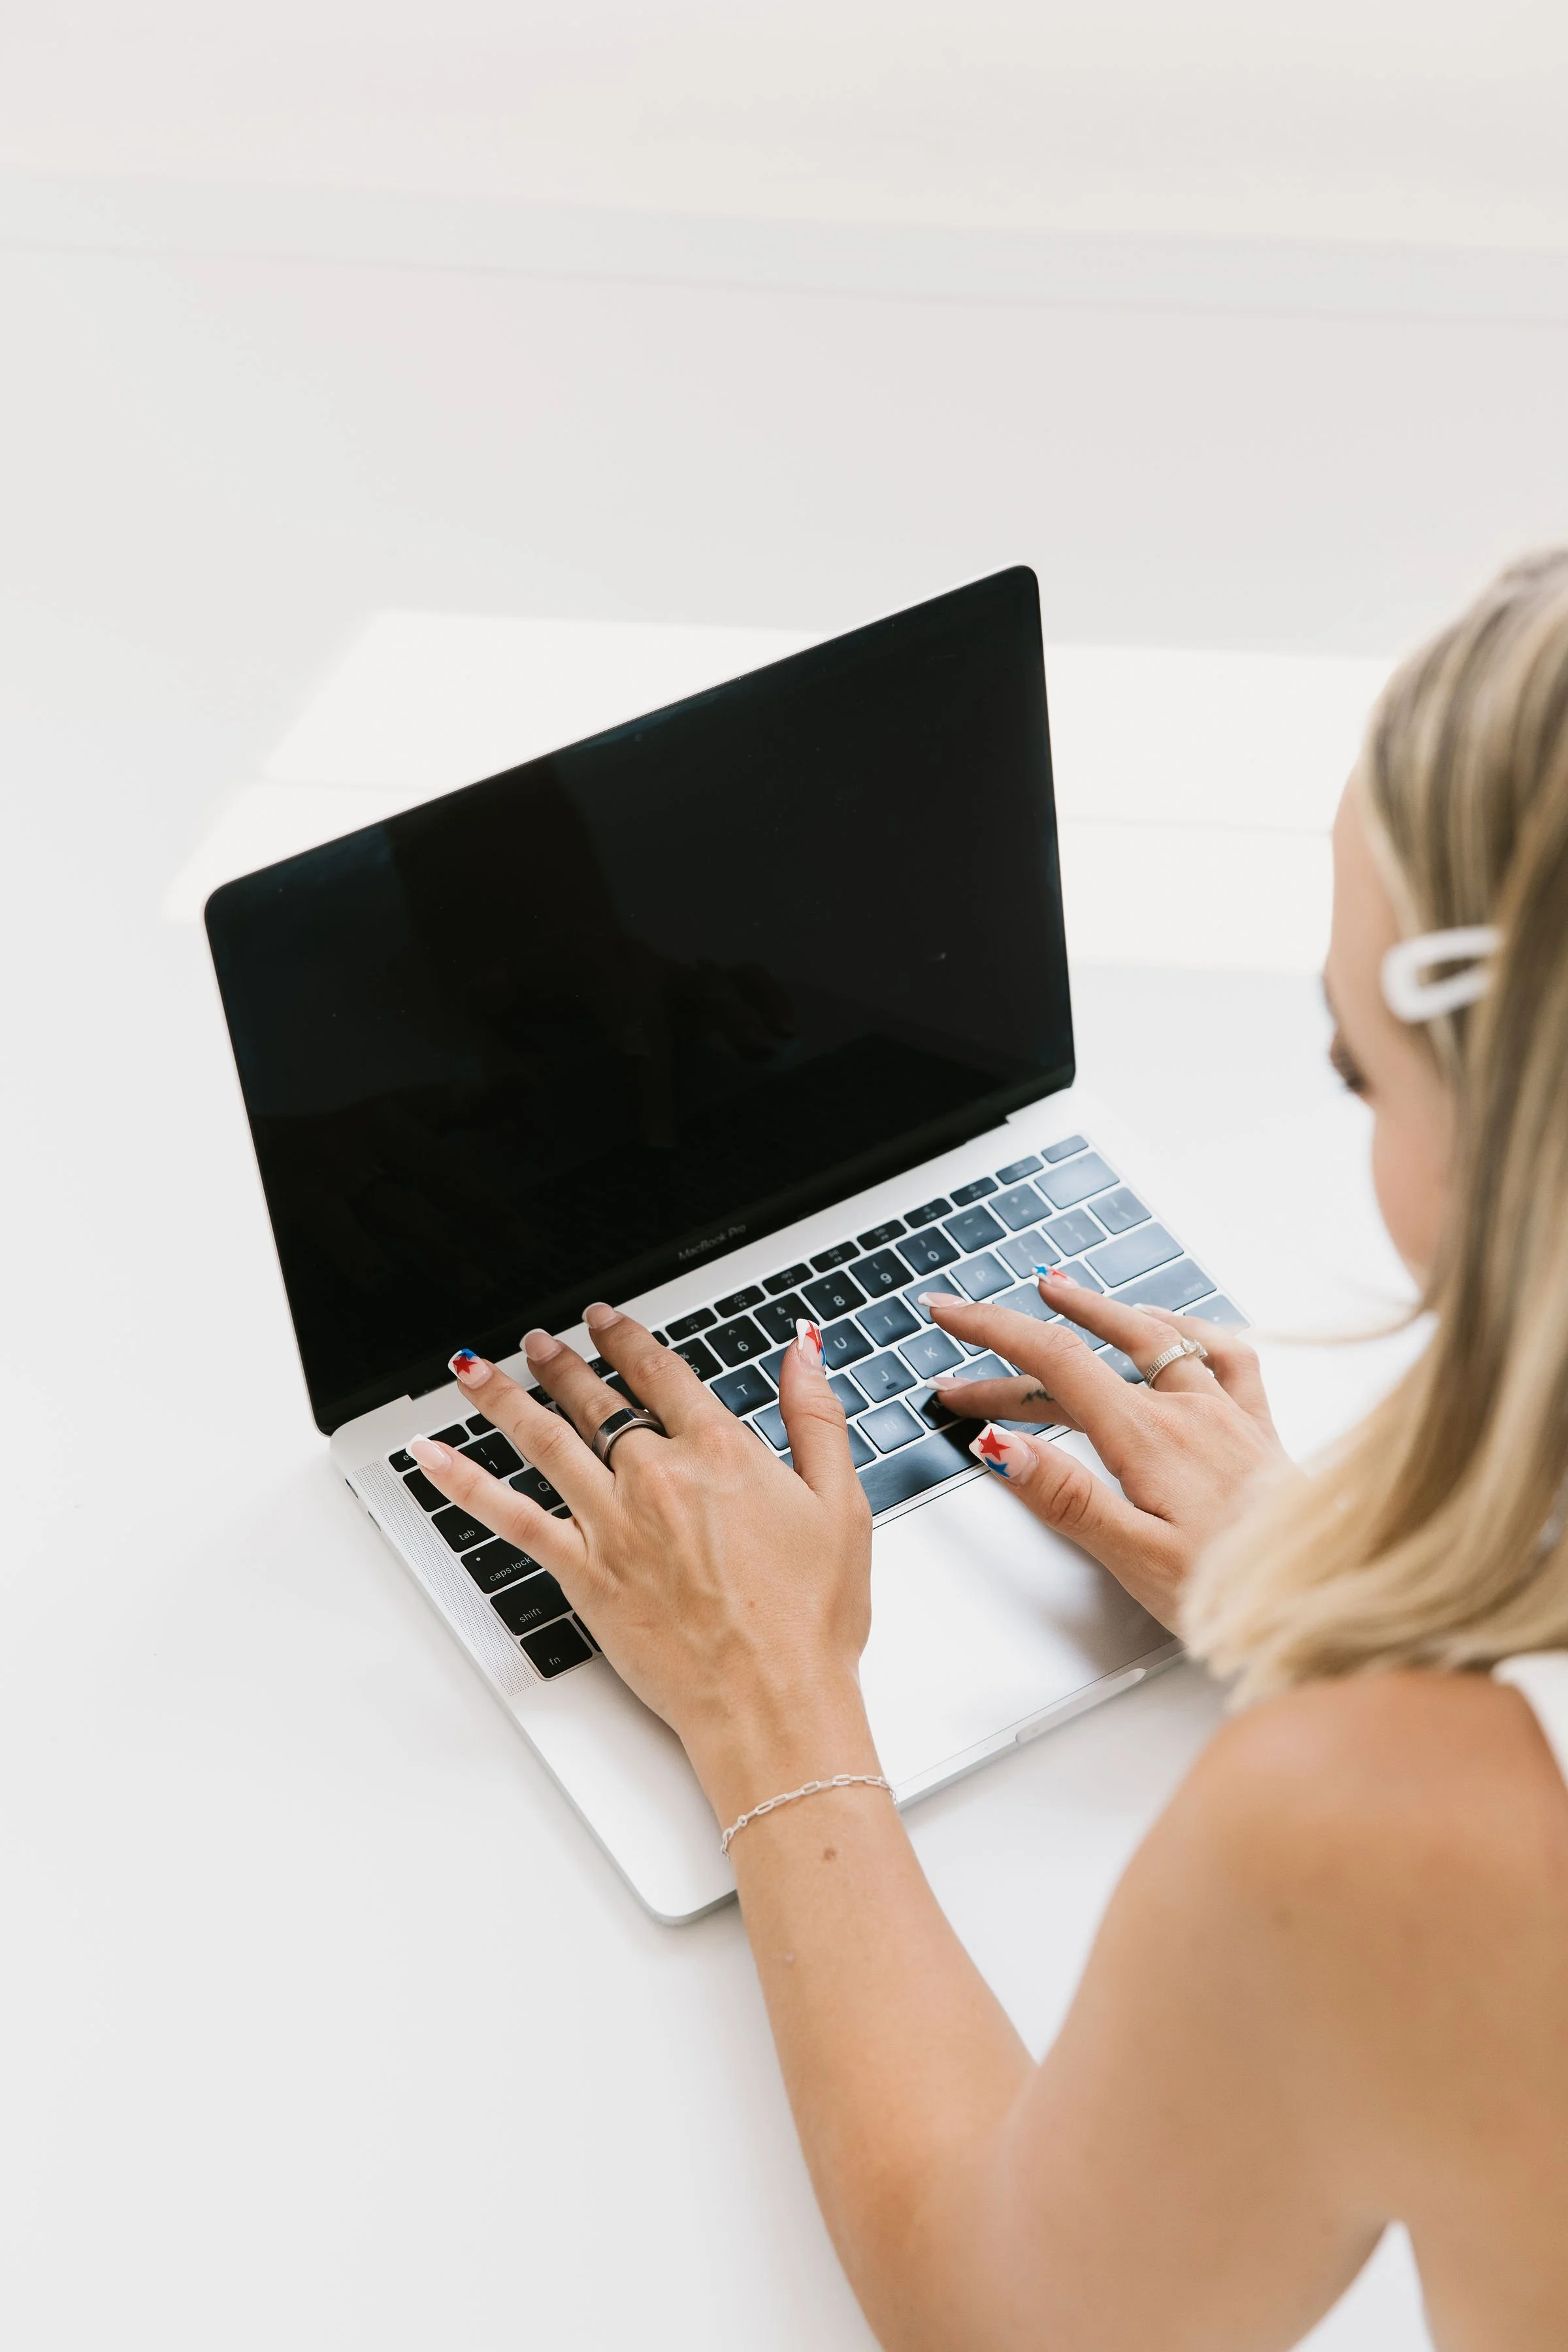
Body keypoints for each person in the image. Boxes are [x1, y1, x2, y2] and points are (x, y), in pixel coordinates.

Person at [408, 553, 1568, 2349]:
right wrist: (1308, 1607)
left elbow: (1012, 2320)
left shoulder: (1403, 1832)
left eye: (1361, 1070)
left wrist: (766, 1701)